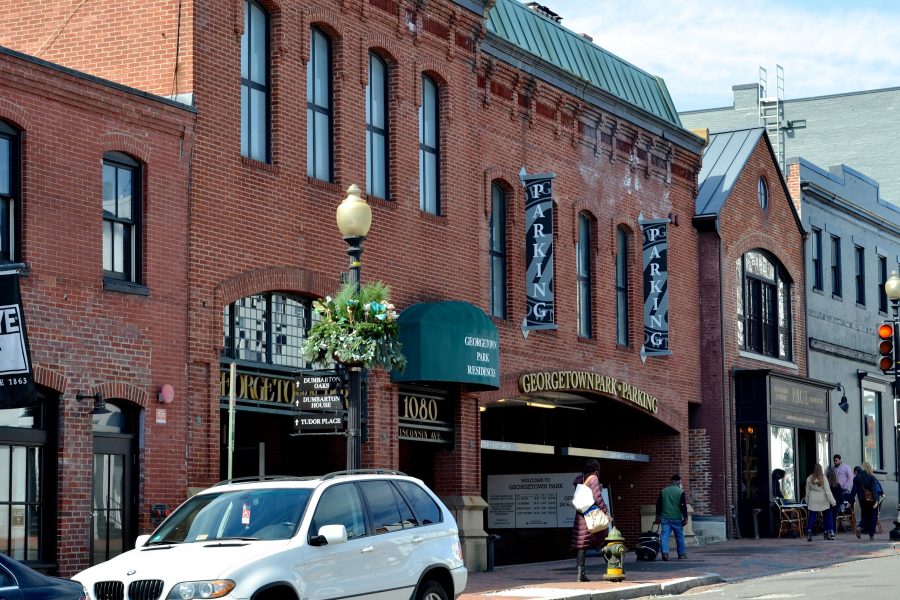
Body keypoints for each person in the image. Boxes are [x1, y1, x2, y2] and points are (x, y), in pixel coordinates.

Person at [571, 459, 610, 582]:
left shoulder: (580, 479)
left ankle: (580, 575)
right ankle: (612, 568)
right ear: (596, 470)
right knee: (605, 539)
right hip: (592, 515)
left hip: (581, 515)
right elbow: (597, 498)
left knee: (582, 545)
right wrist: (606, 512)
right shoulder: (593, 479)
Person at [655, 473, 688, 561]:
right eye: (680, 481)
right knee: (679, 536)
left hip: (665, 517)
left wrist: (657, 516)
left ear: (671, 481)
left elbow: (659, 505)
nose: (680, 482)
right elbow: (683, 506)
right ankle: (681, 554)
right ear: (677, 481)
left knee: (664, 536)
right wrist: (685, 517)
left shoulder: (663, 491)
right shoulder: (681, 492)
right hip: (677, 517)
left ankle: (665, 553)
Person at [847, 461, 884, 540]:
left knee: (865, 516)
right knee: (873, 516)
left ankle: (860, 527)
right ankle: (871, 535)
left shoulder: (857, 478)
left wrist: (850, 501)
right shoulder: (872, 477)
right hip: (872, 500)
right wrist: (877, 501)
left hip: (862, 500)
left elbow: (853, 490)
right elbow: (874, 490)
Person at [804, 464, 836, 541]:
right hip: (823, 499)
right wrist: (833, 502)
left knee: (812, 516)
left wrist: (807, 500)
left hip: (813, 498)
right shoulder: (824, 478)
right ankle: (828, 532)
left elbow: (807, 491)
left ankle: (809, 532)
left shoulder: (809, 478)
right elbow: (828, 491)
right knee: (827, 515)